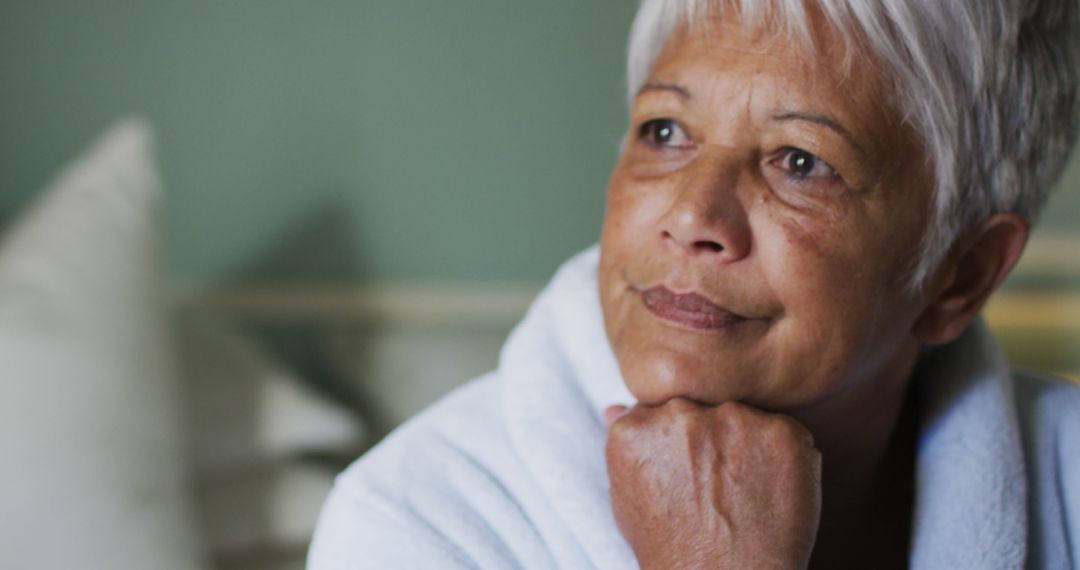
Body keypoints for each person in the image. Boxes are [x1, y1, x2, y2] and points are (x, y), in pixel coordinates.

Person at [308, 0, 1080, 567]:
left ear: (960, 275)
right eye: (665, 132)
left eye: (800, 161)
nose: (690, 215)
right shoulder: (415, 523)